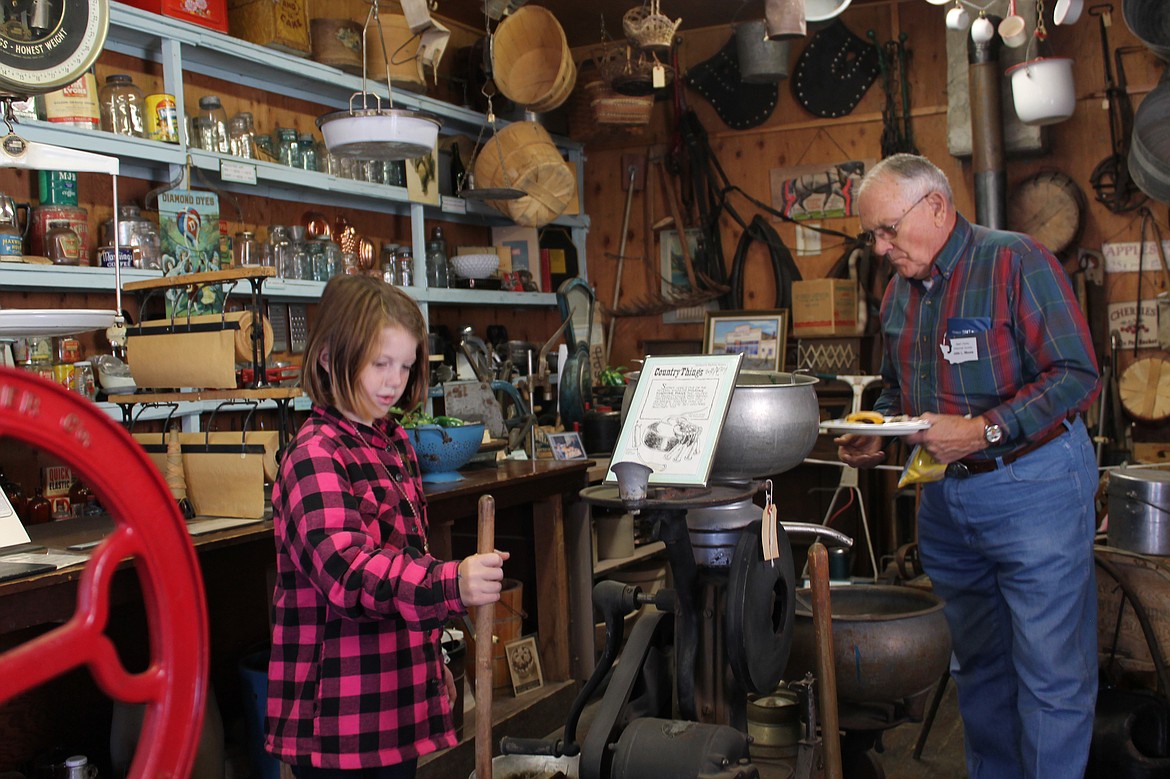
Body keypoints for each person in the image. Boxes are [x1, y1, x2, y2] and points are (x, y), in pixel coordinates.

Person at [838, 154, 1100, 779]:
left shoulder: (1015, 261)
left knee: (1050, 674)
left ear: (935, 206)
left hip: (1033, 487)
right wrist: (876, 424)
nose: (880, 248)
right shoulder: (901, 291)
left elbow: (1076, 375)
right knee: (979, 667)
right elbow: (898, 386)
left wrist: (983, 429)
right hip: (947, 500)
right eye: (871, 234)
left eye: (887, 230)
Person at [265, 274, 509, 778]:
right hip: (339, 716)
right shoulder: (315, 454)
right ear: (331, 356)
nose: (394, 381)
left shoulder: (393, 443)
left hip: (395, 700)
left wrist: (433, 656)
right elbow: (350, 575)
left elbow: (407, 555)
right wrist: (452, 582)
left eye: (405, 365)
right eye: (380, 363)